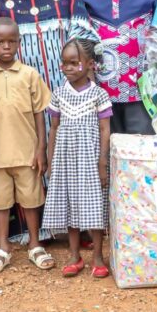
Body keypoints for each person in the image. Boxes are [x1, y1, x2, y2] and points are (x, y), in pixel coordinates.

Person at [77, 0, 157, 133]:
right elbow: (78, 39)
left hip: (141, 90)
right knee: (105, 151)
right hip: (99, 92)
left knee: (141, 151)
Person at [0, 17, 53, 272]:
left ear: (19, 43)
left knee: (32, 200)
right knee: (0, 202)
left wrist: (41, 149)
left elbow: (40, 113)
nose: (5, 47)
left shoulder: (29, 74)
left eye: (11, 42)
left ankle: (35, 244)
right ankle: (4, 246)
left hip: (26, 153)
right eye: (0, 42)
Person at [42, 39, 113, 279]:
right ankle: (74, 256)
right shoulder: (59, 93)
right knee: (69, 205)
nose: (68, 68)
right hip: (65, 160)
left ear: (90, 64)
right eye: (64, 63)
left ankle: (99, 257)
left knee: (95, 207)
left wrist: (102, 163)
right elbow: (53, 128)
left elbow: (105, 130)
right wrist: (51, 161)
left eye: (74, 63)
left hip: (90, 160)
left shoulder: (99, 94)